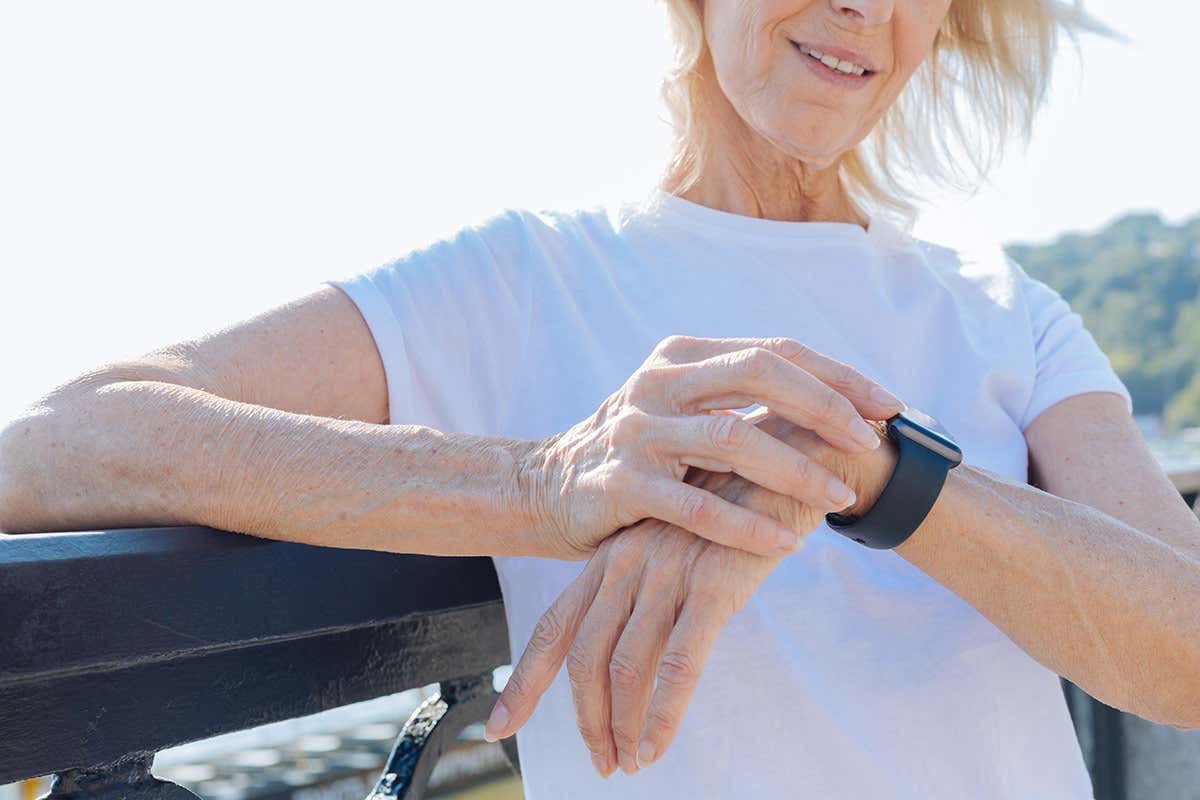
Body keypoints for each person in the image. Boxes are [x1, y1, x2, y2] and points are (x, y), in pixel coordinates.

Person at [2, 0, 1198, 798]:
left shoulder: (1002, 305)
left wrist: (870, 467)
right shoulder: (524, 279)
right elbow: (55, 441)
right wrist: (539, 482)